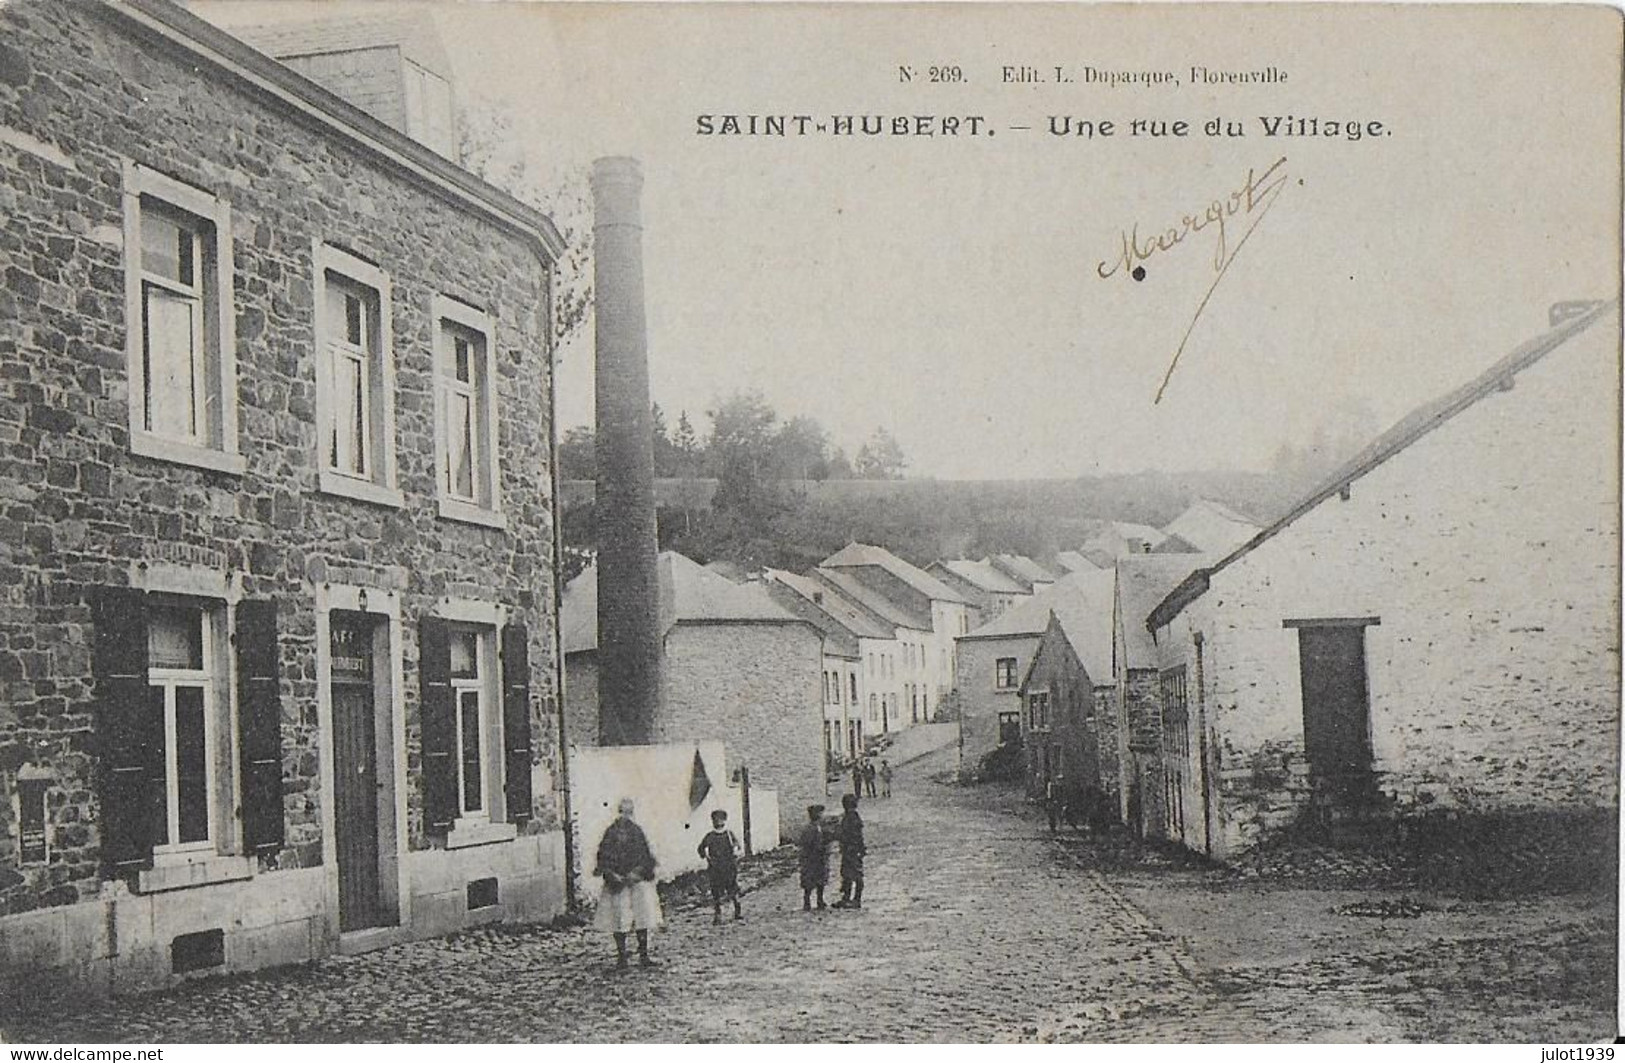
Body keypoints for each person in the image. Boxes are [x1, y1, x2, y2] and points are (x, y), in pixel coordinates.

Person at [594, 797, 662, 969]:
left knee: (642, 916)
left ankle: (644, 954)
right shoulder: (610, 833)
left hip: (636, 880)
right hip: (617, 883)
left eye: (629, 812)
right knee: (619, 917)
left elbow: (646, 855)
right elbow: (603, 855)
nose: (625, 816)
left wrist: (637, 872)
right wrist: (611, 874)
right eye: (622, 812)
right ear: (618, 813)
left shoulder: (637, 832)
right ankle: (622, 956)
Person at [696, 808, 743, 925]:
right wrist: (706, 855)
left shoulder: (728, 834)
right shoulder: (710, 836)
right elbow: (701, 848)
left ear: (724, 820)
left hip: (729, 867)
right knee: (716, 892)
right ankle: (718, 915)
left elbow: (737, 845)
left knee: (732, 888)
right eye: (715, 820)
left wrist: (735, 851)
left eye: (720, 819)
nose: (717, 822)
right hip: (715, 868)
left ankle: (737, 909)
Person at [830, 793, 865, 909]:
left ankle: (856, 899)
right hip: (849, 849)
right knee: (847, 874)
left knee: (855, 874)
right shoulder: (851, 816)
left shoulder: (851, 818)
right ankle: (847, 898)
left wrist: (837, 835)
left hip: (852, 850)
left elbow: (854, 835)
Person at [797, 804, 828, 911]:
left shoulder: (819, 827)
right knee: (810, 880)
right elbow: (805, 844)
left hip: (818, 858)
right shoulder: (810, 829)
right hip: (812, 858)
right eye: (820, 813)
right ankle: (807, 901)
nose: (821, 815)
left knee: (820, 879)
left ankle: (819, 900)